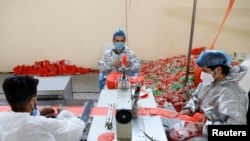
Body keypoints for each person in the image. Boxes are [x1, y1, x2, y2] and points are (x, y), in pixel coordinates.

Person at [178, 50, 248, 140]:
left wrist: (206, 128)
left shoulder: (232, 94)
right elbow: (196, 98)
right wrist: (189, 108)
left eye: (204, 71)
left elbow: (236, 131)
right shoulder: (206, 84)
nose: (202, 74)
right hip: (200, 125)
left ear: (218, 70)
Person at [0, 75, 85, 141]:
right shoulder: (42, 125)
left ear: (8, 101)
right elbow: (77, 128)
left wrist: (36, 115)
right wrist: (65, 113)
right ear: (33, 101)